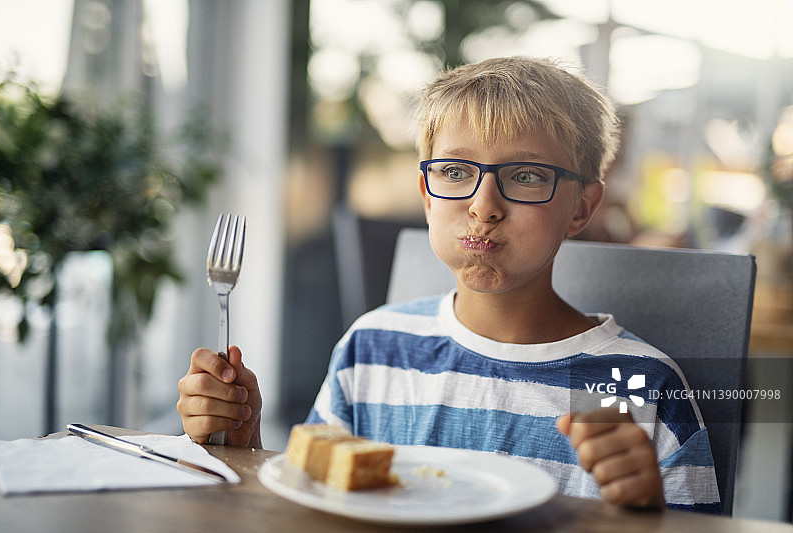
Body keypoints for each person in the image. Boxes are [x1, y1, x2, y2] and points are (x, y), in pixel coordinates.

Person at [177, 56, 719, 513]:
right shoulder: (372, 348)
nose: (483, 207)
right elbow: (317, 500)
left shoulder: (637, 384)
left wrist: (644, 511)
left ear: (581, 207)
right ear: (426, 192)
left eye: (526, 176)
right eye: (456, 172)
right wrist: (241, 444)